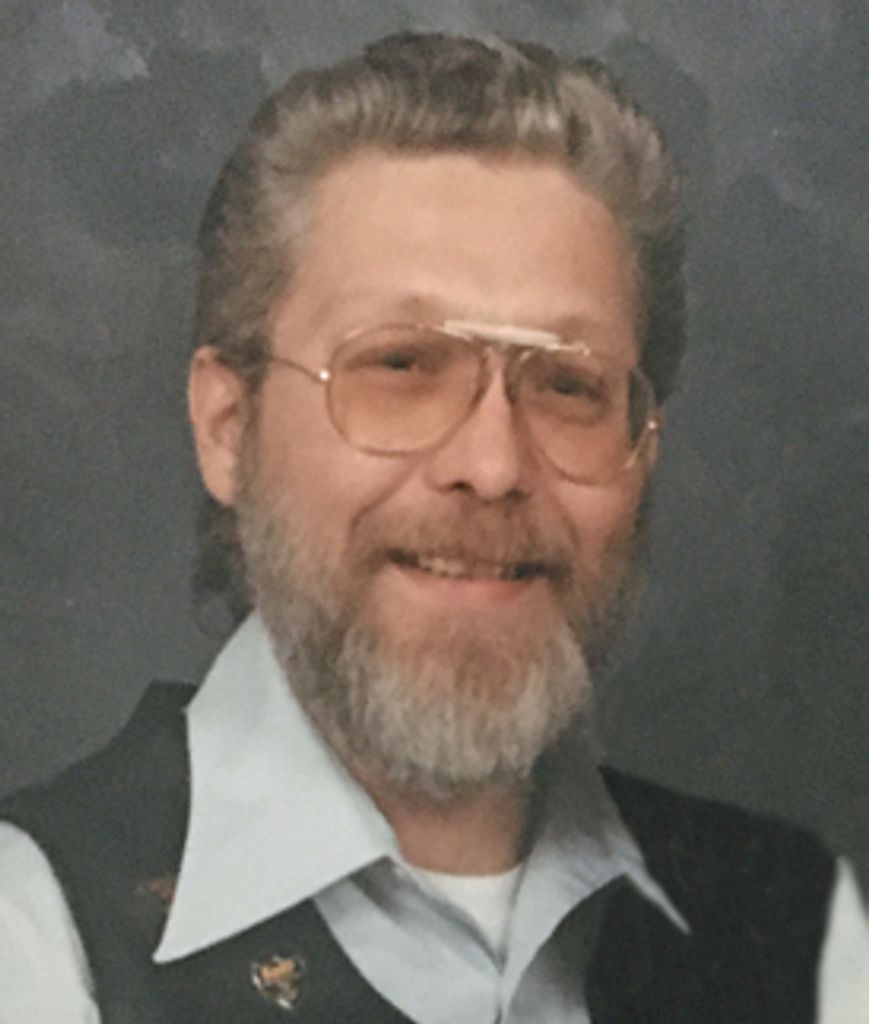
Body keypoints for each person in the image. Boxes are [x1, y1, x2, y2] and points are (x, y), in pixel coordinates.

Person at [0, 32, 839, 1023]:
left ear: (641, 449)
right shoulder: (33, 934)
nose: (492, 465)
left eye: (567, 385)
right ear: (227, 428)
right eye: (399, 365)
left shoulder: (804, 928)